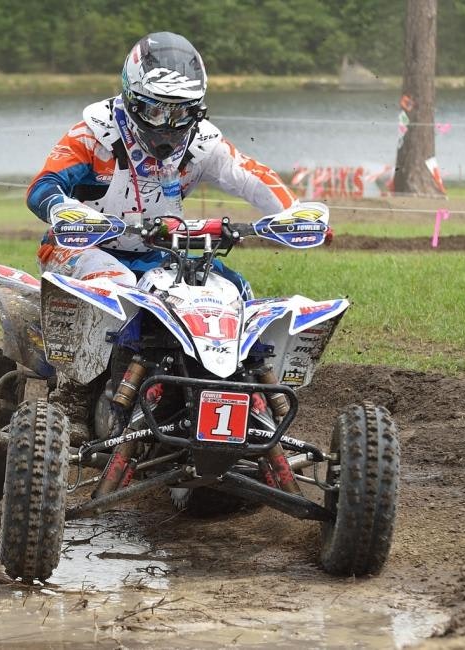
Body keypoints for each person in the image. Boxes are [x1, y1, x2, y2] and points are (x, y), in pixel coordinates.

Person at [26, 32, 299, 437]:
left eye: (181, 113)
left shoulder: (202, 141)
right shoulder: (94, 133)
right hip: (80, 246)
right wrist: (64, 209)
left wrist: (291, 213)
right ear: (132, 99)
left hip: (161, 253)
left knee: (234, 291)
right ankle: (73, 396)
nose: (168, 126)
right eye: (155, 111)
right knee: (114, 284)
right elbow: (42, 187)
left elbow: (251, 177)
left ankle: (251, 399)